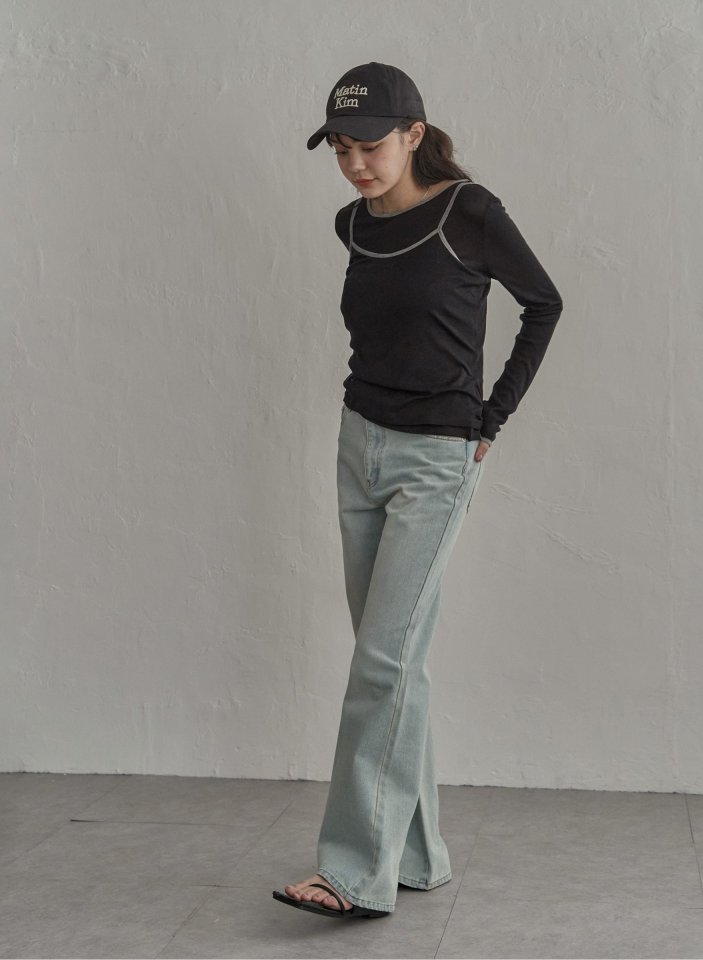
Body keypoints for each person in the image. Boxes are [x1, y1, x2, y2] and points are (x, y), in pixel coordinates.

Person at [273, 61, 563, 921]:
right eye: (341, 148)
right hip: (357, 447)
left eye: (370, 145)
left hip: (437, 459)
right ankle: (417, 855)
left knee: (382, 663)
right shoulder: (353, 225)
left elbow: (544, 304)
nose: (356, 164)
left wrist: (490, 419)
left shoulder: (470, 213)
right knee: (393, 661)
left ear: (413, 134)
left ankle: (354, 874)